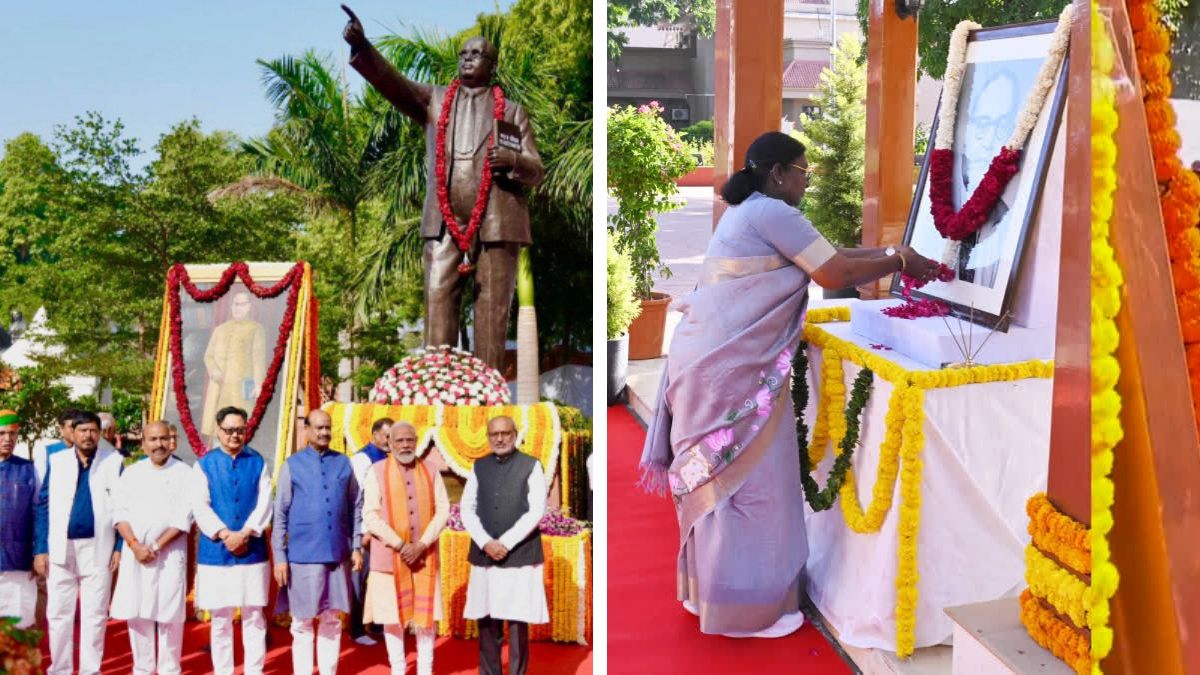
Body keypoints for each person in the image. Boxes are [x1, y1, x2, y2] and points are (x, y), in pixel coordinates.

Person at [638, 132, 941, 638]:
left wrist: (895, 252)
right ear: (778, 173)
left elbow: (829, 254)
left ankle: (704, 595)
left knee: (716, 484)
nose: (807, 181)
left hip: (708, 363)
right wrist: (900, 260)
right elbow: (834, 272)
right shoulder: (772, 213)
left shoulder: (748, 211)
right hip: (732, 372)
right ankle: (745, 615)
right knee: (752, 487)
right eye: (803, 171)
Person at [342, 5, 544, 371]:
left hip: (497, 223)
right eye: (463, 54)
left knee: (492, 314)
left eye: (476, 54)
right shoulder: (433, 100)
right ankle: (437, 388)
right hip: (443, 224)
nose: (467, 59)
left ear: (492, 65)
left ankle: (489, 393)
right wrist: (363, 47)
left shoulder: (512, 112)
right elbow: (394, 83)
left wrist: (513, 160)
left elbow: (537, 170)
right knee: (437, 302)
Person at [273, 410, 364, 675]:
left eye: (328, 428)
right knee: (302, 621)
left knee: (332, 619)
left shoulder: (343, 463)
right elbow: (280, 513)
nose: (324, 433)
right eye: (319, 428)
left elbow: (355, 506)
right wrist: (280, 556)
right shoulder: (292, 465)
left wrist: (356, 545)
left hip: (337, 554)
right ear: (307, 430)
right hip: (303, 555)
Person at [34, 411, 124, 675]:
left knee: (95, 614)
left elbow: (123, 508)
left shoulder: (113, 461)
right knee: (58, 613)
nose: (88, 435)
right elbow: (43, 506)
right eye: (82, 430)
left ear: (100, 433)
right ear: (72, 433)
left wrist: (119, 547)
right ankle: (60, 669)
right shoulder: (57, 461)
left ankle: (90, 671)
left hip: (99, 547)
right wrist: (41, 549)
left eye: (93, 430)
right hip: (61, 547)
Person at [461, 415, 549, 675]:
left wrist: (506, 543)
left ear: (515, 434)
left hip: (519, 555)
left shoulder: (531, 465)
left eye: (505, 433)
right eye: (494, 434)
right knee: (487, 622)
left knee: (518, 623)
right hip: (485, 555)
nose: (499, 439)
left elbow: (536, 510)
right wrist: (486, 542)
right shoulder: (479, 466)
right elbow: (467, 508)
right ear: (488, 436)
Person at [362, 421, 450, 675]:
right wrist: (401, 545)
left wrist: (421, 544)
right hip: (388, 559)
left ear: (417, 441)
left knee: (425, 619)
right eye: (399, 440)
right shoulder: (376, 471)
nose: (404, 445)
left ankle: (425, 670)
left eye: (409, 440)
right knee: (391, 619)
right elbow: (370, 515)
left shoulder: (430, 470)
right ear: (389, 443)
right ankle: (398, 669)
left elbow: (443, 510)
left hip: (424, 557)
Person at [191, 406, 273, 675]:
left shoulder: (258, 462)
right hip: (216, 552)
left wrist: (245, 533)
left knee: (254, 616)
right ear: (218, 430)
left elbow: (265, 502)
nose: (235, 435)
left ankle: (254, 670)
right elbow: (199, 506)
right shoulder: (204, 464)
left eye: (240, 430)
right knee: (220, 618)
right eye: (229, 430)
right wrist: (226, 534)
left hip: (252, 550)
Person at [111, 421, 193, 675]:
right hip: (136, 555)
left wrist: (156, 546)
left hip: (170, 554)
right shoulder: (131, 473)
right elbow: (119, 513)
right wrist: (135, 546)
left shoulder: (185, 473)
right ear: (143, 444)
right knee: (138, 614)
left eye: (163, 438)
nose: (159, 444)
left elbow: (183, 518)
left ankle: (170, 670)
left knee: (170, 616)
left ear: (171, 441)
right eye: (153, 439)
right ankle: (142, 669)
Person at [955, 67, 1021, 288]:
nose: (990, 139)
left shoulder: (1013, 214)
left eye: (1002, 125)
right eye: (983, 123)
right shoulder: (951, 197)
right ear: (968, 131)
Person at [348, 416, 394, 646]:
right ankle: (356, 629)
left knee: (377, 580)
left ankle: (375, 623)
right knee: (359, 581)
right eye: (386, 436)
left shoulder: (388, 457)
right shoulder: (362, 459)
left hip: (380, 531)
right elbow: (356, 499)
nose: (389, 441)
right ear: (374, 434)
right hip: (364, 532)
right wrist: (363, 531)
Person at [200, 291, 267, 438]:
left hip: (241, 388)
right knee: (217, 428)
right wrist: (213, 370)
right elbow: (208, 356)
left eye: (242, 304)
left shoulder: (255, 329)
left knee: (239, 428)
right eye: (235, 304)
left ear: (249, 307)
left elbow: (258, 359)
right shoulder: (220, 330)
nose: (238, 308)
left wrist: (258, 385)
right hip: (219, 387)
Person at [0, 409, 37, 629]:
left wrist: (39, 552)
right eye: (2, 433)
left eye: (12, 434)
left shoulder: (29, 470)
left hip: (19, 560)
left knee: (19, 623)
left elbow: (39, 514)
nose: (8, 439)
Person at [32, 408, 80, 484]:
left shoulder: (86, 452)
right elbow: (39, 484)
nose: (74, 430)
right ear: (61, 429)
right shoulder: (46, 452)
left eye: (77, 426)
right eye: (71, 427)